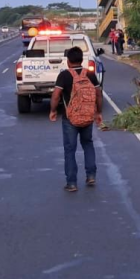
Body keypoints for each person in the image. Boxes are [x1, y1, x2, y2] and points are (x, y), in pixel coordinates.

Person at [50, 46, 103, 192]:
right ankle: (91, 175)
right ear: (82, 60)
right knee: (88, 144)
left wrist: (53, 110)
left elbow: (56, 95)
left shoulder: (64, 75)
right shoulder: (90, 75)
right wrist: (98, 113)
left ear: (68, 61)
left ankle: (72, 183)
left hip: (70, 119)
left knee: (70, 149)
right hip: (87, 117)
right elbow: (98, 94)